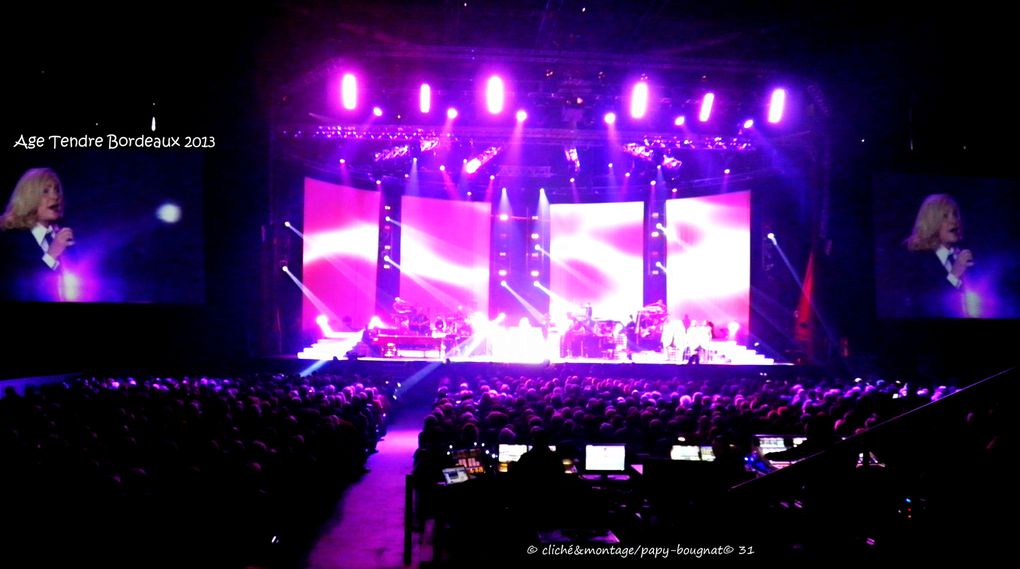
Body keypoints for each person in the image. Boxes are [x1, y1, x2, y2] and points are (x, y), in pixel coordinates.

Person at [0, 168, 75, 301]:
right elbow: (20, 292)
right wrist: (51, 255)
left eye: (57, 190)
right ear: (29, 197)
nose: (55, 196)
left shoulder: (61, 237)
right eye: (46, 191)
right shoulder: (10, 242)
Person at [898, 194, 975, 317]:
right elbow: (926, 307)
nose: (954, 220)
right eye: (945, 216)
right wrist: (954, 275)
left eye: (955, 214)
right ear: (931, 222)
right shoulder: (917, 261)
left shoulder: (959, 256)